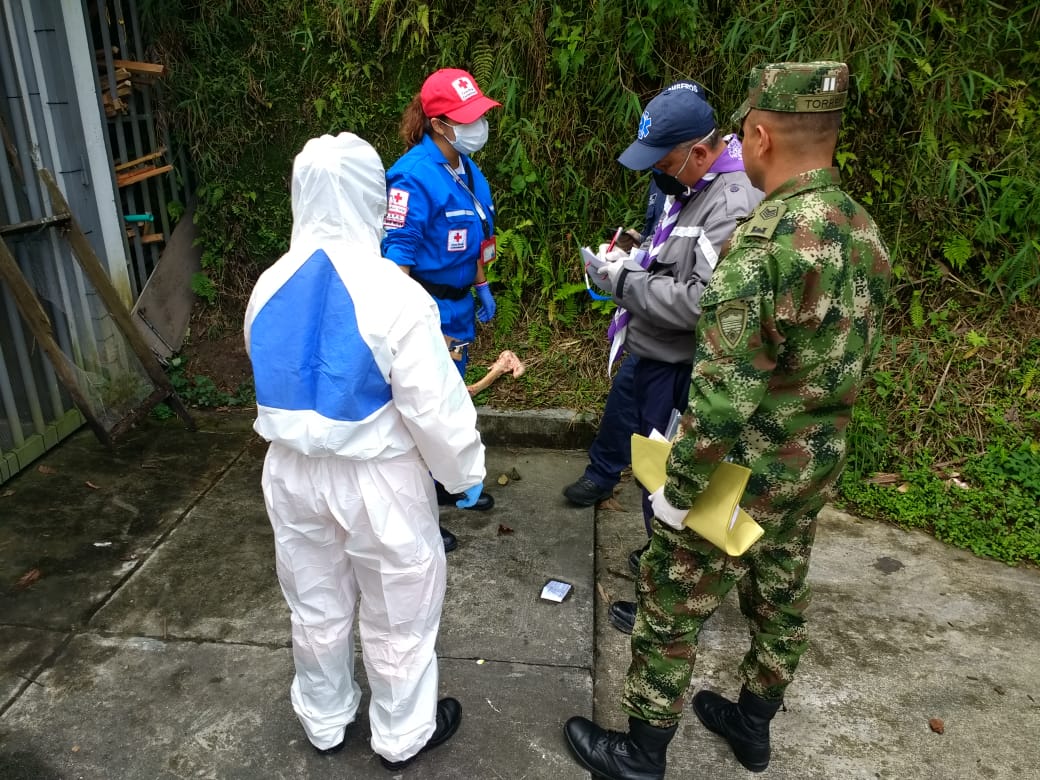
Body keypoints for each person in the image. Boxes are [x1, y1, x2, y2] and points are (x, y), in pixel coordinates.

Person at [562, 61, 891, 780]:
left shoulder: (763, 247)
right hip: (813, 464)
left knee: (671, 598)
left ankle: (640, 754)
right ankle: (752, 726)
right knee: (778, 593)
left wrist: (677, 490)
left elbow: (720, 397)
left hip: (742, 470)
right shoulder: (862, 230)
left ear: (760, 135)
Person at [244, 132, 486, 770]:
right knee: (399, 612)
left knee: (314, 605)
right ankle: (401, 734)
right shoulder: (395, 293)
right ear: (374, 195)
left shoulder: (266, 284)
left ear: (299, 193)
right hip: (377, 479)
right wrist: (465, 475)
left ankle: (324, 720)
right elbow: (434, 408)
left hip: (291, 473)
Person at [565, 80, 763, 635]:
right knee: (661, 483)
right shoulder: (690, 190)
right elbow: (675, 262)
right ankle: (670, 576)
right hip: (656, 358)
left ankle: (671, 606)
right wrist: (628, 262)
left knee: (674, 489)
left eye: (666, 159)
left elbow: (708, 303)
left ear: (700, 152)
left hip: (682, 370)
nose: (659, 171)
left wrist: (626, 284)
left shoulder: (732, 200)